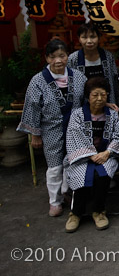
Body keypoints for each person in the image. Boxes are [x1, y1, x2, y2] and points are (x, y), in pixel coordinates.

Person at [18, 39, 87, 217]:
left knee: (74, 162)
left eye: (62, 56)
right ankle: (54, 201)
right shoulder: (38, 81)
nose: (58, 60)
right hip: (51, 130)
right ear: (47, 58)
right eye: (53, 56)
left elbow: (88, 100)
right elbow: (32, 108)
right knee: (55, 166)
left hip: (75, 130)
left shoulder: (78, 77)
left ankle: (68, 193)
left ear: (67, 56)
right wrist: (35, 134)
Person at [64, 77, 119, 233]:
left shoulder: (112, 114)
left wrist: (107, 152)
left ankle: (99, 211)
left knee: (102, 175)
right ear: (88, 96)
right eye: (95, 95)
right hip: (81, 156)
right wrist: (90, 155)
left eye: (103, 94)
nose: (99, 99)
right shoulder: (77, 115)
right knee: (81, 174)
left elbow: (118, 136)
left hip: (106, 155)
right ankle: (75, 213)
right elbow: (74, 137)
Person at [67, 22, 118, 104]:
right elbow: (70, 84)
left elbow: (114, 81)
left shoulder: (108, 56)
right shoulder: (73, 58)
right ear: (79, 39)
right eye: (84, 37)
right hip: (83, 105)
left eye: (93, 37)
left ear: (99, 37)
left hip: (106, 103)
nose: (89, 41)